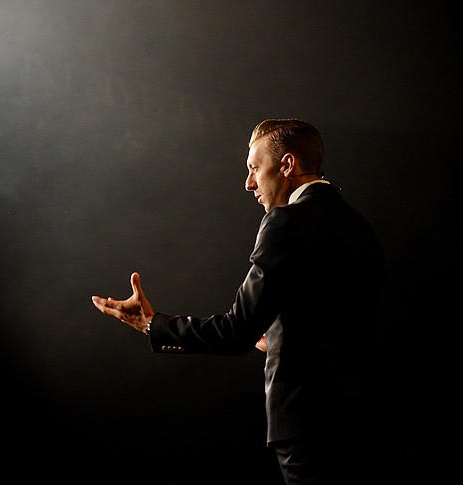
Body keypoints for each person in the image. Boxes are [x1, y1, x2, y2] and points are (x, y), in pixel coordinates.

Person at [91, 119, 388, 485]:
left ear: (288, 165)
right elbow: (336, 323)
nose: (249, 183)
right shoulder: (361, 227)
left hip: (304, 424)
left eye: (253, 168)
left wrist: (153, 325)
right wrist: (279, 336)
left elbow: (235, 332)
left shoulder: (285, 222)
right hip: (365, 422)